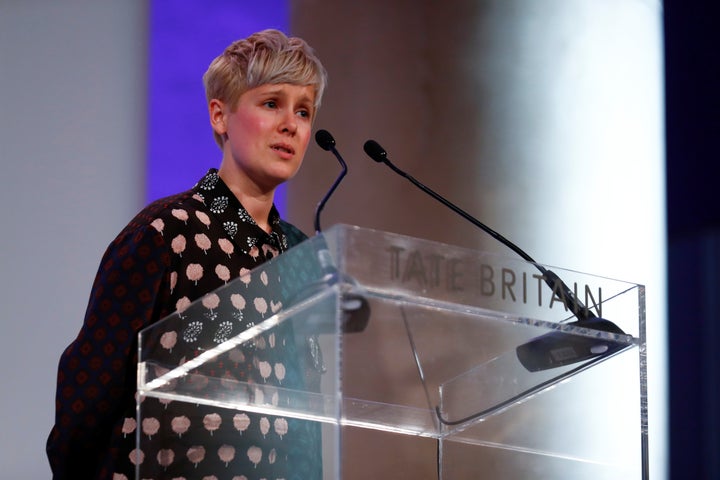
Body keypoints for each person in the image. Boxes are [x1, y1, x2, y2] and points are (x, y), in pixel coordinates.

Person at [47, 29, 328, 480]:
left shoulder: (301, 255)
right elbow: (90, 387)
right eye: (272, 103)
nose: (291, 124)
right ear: (220, 115)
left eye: (303, 111)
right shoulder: (166, 232)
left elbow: (306, 418)